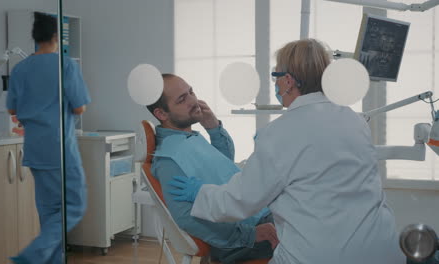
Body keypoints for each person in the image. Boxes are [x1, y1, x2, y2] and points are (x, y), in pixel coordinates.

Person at [169, 39, 405, 264]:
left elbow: (239, 201)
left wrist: (200, 194)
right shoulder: (355, 121)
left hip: (321, 255)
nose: (276, 83)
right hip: (382, 248)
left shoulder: (278, 133)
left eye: (276, 76)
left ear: (288, 81)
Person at [146, 73, 278, 263]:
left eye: (190, 92)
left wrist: (213, 127)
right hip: (249, 234)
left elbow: (222, 165)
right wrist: (250, 234)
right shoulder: (169, 158)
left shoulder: (188, 138)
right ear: (161, 114)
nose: (193, 101)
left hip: (255, 215)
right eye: (182, 99)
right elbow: (186, 217)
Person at [6, 12, 91, 264]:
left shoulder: (21, 68)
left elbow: (12, 109)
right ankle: (33, 255)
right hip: (59, 148)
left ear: (34, 37)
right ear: (56, 37)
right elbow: (79, 107)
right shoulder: (65, 65)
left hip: (34, 149)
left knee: (49, 213)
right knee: (73, 205)